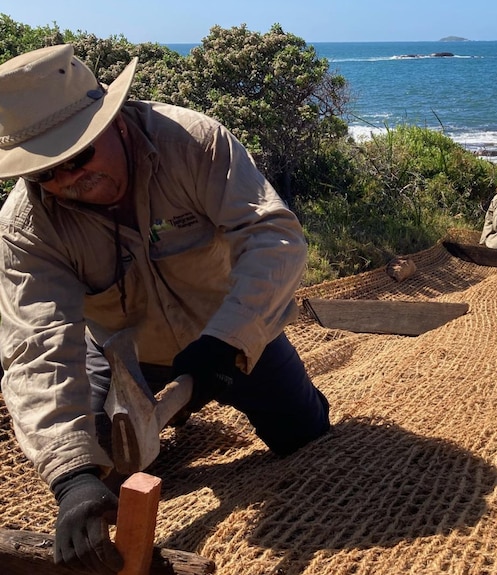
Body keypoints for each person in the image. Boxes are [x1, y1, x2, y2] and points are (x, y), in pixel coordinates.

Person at [0, 45, 331, 574]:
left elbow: (273, 238)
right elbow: (38, 345)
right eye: (44, 174)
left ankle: (278, 395)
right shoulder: (24, 227)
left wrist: (226, 341)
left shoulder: (192, 142)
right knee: (93, 476)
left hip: (229, 338)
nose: (65, 183)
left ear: (113, 123)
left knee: (306, 437)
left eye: (77, 158)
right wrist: (71, 474)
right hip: (119, 353)